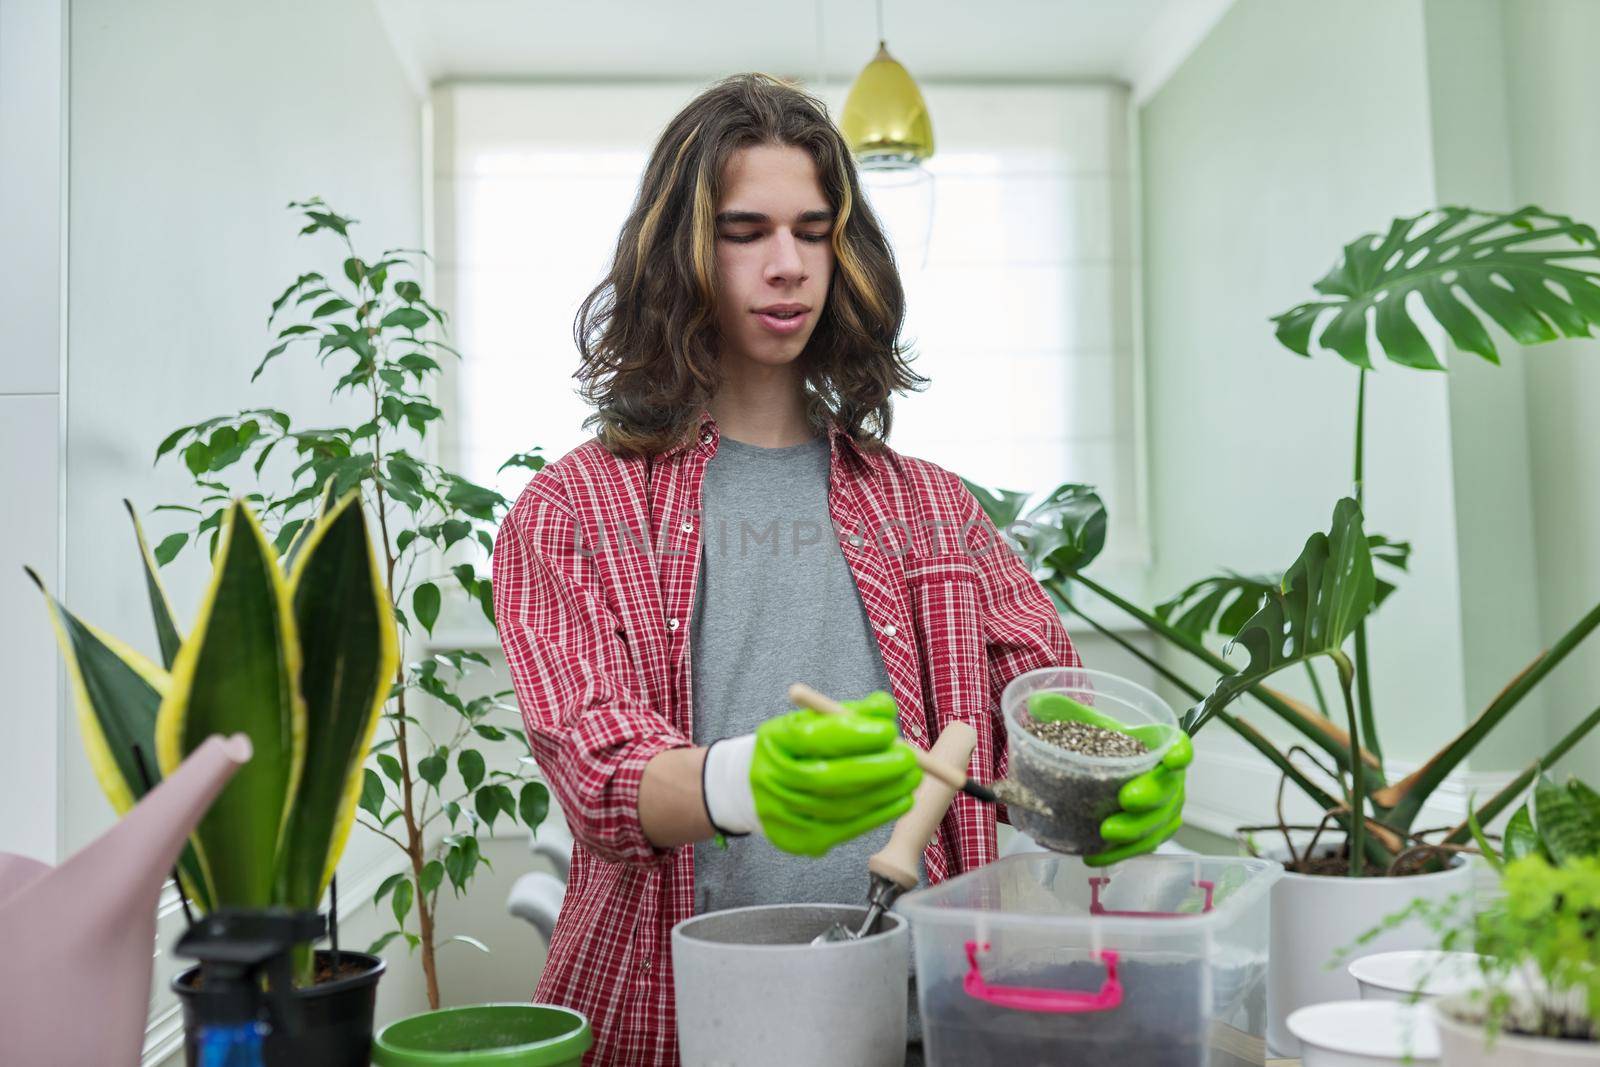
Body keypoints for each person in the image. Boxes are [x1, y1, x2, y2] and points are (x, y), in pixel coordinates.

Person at [492, 71, 1190, 1067]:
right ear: (680, 249)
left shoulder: (937, 510)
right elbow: (597, 770)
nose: (788, 265)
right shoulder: (572, 512)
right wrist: (740, 779)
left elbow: (1034, 714)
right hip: (672, 1020)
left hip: (913, 1019)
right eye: (747, 230)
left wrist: (1104, 787)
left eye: (812, 230)